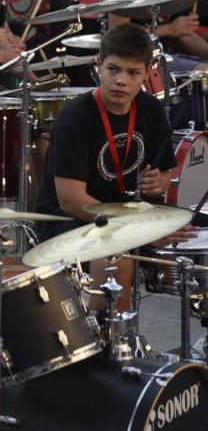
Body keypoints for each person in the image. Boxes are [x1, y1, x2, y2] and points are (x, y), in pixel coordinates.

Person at [34, 23, 196, 311]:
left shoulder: (150, 109)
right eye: (113, 69)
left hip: (126, 213)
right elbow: (71, 201)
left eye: (133, 73)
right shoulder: (75, 117)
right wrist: (140, 230)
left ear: (147, 74)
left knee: (196, 233)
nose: (121, 80)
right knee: (113, 254)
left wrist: (158, 182)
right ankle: (109, 340)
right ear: (98, 65)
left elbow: (164, 175)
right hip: (67, 219)